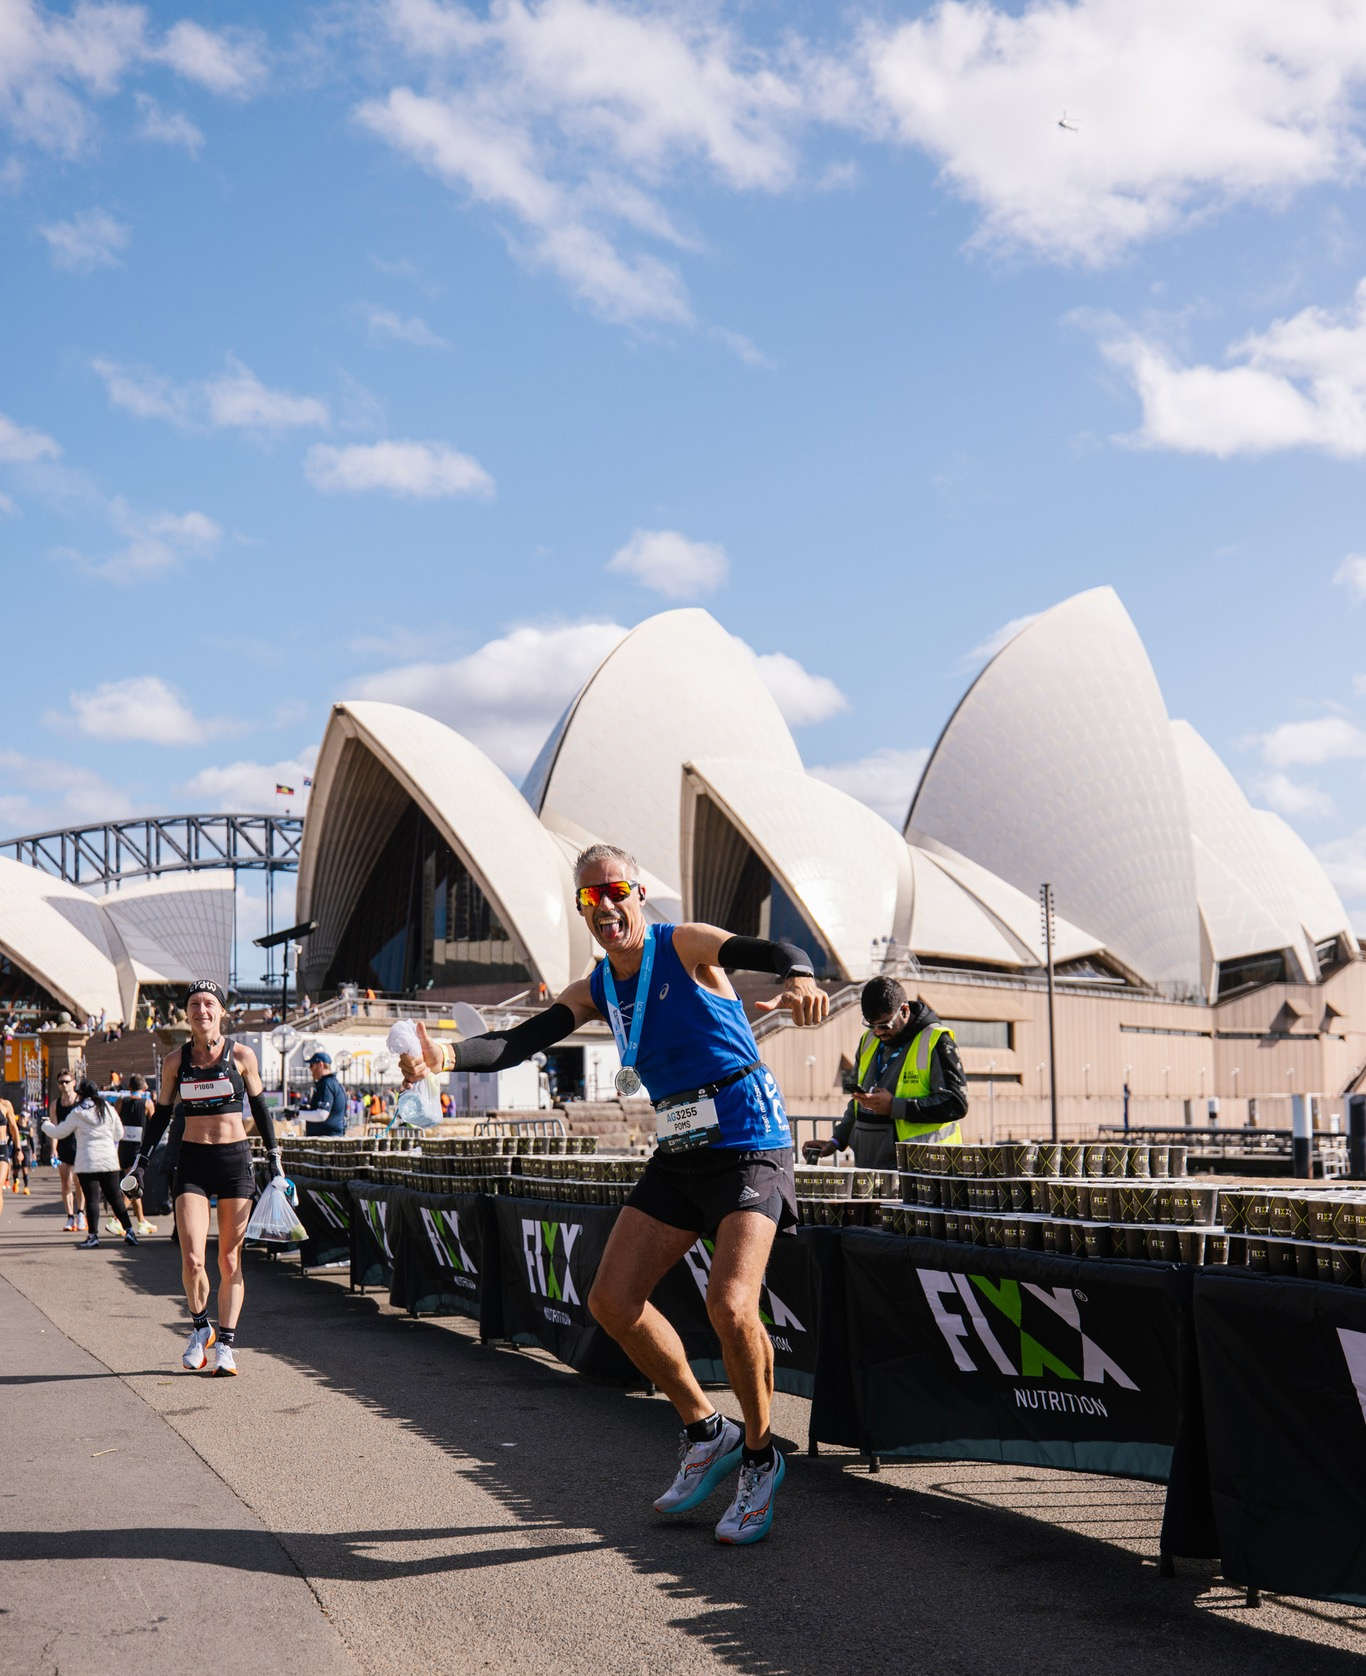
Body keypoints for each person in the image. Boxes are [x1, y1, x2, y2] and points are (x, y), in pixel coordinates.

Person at [402, 842, 828, 1545]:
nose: (604, 908)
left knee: (730, 1304)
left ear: (638, 894)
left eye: (615, 892)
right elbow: (518, 1043)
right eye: (589, 900)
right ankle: (706, 1429)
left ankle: (759, 1458)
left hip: (749, 1138)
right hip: (682, 1147)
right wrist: (444, 1055)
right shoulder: (599, 986)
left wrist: (806, 975)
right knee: (611, 1301)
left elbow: (774, 948)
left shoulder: (682, 943)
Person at [123, 980, 283, 1377]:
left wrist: (276, 1157)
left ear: (222, 1011)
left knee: (229, 1260)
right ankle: (200, 1329)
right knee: (193, 1258)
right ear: (187, 1013)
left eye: (209, 1003)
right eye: (194, 1004)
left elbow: (261, 1110)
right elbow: (161, 1115)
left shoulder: (242, 1055)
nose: (202, 1010)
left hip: (234, 1161)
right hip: (192, 1161)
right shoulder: (176, 1061)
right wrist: (140, 1163)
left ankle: (226, 1346)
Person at [804, 976, 967, 1171]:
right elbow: (857, 1104)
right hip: (870, 1167)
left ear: (904, 1010)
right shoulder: (868, 1040)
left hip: (921, 1169)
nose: (879, 1032)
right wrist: (836, 1141)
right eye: (872, 1026)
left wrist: (895, 1106)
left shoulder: (936, 1040)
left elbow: (956, 1104)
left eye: (885, 1025)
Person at [42, 1080, 137, 1249]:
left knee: (92, 1199)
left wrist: (46, 1124)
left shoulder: (77, 1112)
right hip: (109, 1160)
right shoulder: (107, 1108)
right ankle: (129, 1230)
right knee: (115, 1197)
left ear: (81, 1094)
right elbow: (119, 1133)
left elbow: (60, 1132)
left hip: (87, 1161)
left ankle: (93, 1236)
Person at [116, 1075, 156, 1235]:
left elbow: (116, 1120)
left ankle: (142, 1221)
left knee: (133, 1183)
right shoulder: (147, 1103)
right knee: (133, 1185)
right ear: (144, 1087)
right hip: (139, 1147)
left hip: (123, 1146)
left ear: (130, 1087)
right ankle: (117, 1219)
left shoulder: (120, 1102)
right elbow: (154, 1126)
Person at [50, 1070, 87, 1234]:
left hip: (79, 1144)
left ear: (73, 1082)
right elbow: (54, 1128)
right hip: (63, 1146)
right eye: (61, 1082)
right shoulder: (55, 1105)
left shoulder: (80, 1101)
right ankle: (69, 1216)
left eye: (66, 1081)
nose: (64, 1085)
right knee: (66, 1183)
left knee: (80, 1182)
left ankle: (81, 1213)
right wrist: (53, 1149)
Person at [299, 1050, 347, 1136]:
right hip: (328, 1138)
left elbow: (322, 1115)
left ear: (320, 1065)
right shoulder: (332, 1082)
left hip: (327, 1140)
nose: (310, 1068)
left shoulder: (326, 1084)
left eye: (311, 1065)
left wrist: (297, 1114)